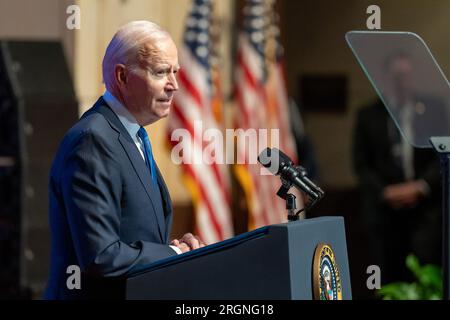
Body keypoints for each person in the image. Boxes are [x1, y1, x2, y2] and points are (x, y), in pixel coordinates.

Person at [44, 21, 205, 299]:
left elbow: (133, 235)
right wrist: (172, 253)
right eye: (161, 72)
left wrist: (174, 252)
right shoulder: (92, 141)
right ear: (122, 77)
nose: (174, 85)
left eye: (175, 72)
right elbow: (101, 256)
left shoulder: (132, 136)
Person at [353, 52, 444, 285]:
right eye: (396, 76)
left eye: (406, 75)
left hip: (425, 216)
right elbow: (362, 164)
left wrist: (420, 186)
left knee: (424, 280)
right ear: (385, 78)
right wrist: (386, 192)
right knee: (387, 281)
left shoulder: (433, 110)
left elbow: (442, 156)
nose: (402, 81)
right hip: (385, 218)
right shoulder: (368, 115)